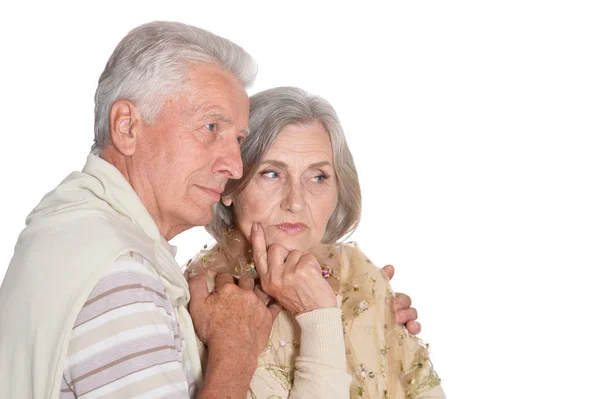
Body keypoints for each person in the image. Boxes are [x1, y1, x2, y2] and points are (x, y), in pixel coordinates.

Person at [0, 22, 418, 398]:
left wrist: (371, 335)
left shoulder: (84, 238)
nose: (232, 165)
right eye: (211, 128)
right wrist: (235, 350)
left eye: (236, 138)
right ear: (127, 126)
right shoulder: (119, 275)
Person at [187, 87, 445, 398]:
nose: (295, 202)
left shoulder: (359, 275)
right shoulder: (202, 297)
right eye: (271, 173)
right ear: (230, 185)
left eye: (318, 177)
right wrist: (320, 317)